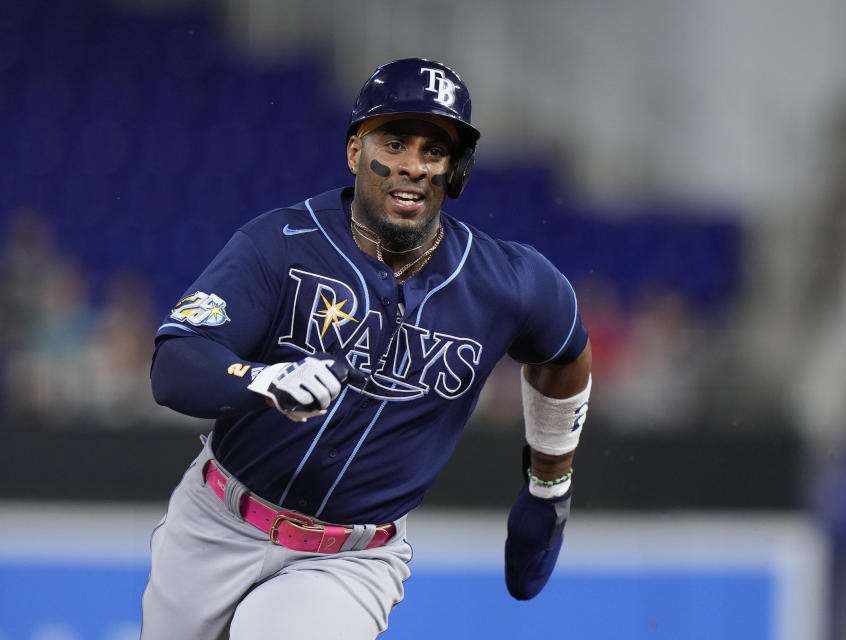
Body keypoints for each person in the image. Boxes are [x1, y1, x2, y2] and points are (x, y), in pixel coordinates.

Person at [141, 57, 592, 639]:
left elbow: (565, 352)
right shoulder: (282, 242)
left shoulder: (510, 281)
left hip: (351, 558)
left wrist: (549, 484)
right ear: (356, 151)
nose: (413, 166)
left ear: (455, 170)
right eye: (396, 142)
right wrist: (261, 380)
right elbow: (175, 365)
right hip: (217, 524)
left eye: (435, 151)